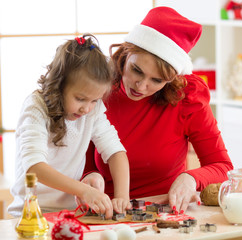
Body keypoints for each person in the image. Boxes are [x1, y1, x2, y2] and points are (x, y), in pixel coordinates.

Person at [82, 7, 233, 214]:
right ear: (126, 52)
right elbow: (86, 164)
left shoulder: (187, 98)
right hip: (107, 214)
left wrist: (191, 178)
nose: (141, 86)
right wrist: (90, 177)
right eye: (137, 70)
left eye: (157, 80)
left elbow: (222, 167)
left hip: (167, 214)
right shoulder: (98, 89)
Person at [8, 34, 131, 219]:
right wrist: (83, 190)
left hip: (69, 213)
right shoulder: (36, 108)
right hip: (29, 214)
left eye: (94, 100)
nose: (87, 108)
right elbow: (34, 167)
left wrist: (122, 196)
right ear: (59, 85)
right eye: (80, 98)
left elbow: (116, 153)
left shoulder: (92, 111)